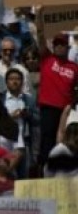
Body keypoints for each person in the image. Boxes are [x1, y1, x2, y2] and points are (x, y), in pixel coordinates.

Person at [34, 20, 78, 171]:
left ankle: (65, 170)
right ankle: (44, 170)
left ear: (68, 47)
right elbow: (40, 36)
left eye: (62, 44)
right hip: (48, 107)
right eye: (57, 44)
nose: (59, 46)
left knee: (65, 142)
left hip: (65, 111)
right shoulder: (46, 58)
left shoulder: (74, 67)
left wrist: (72, 102)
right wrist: (39, 17)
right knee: (47, 140)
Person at [4, 67, 38, 178]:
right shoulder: (1, 99)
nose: (14, 81)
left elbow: (37, 120)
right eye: (11, 79)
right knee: (6, 174)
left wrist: (28, 115)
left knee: (24, 176)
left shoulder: (29, 99)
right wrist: (10, 116)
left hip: (24, 143)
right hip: (5, 142)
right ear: (6, 82)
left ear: (22, 82)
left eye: (18, 79)